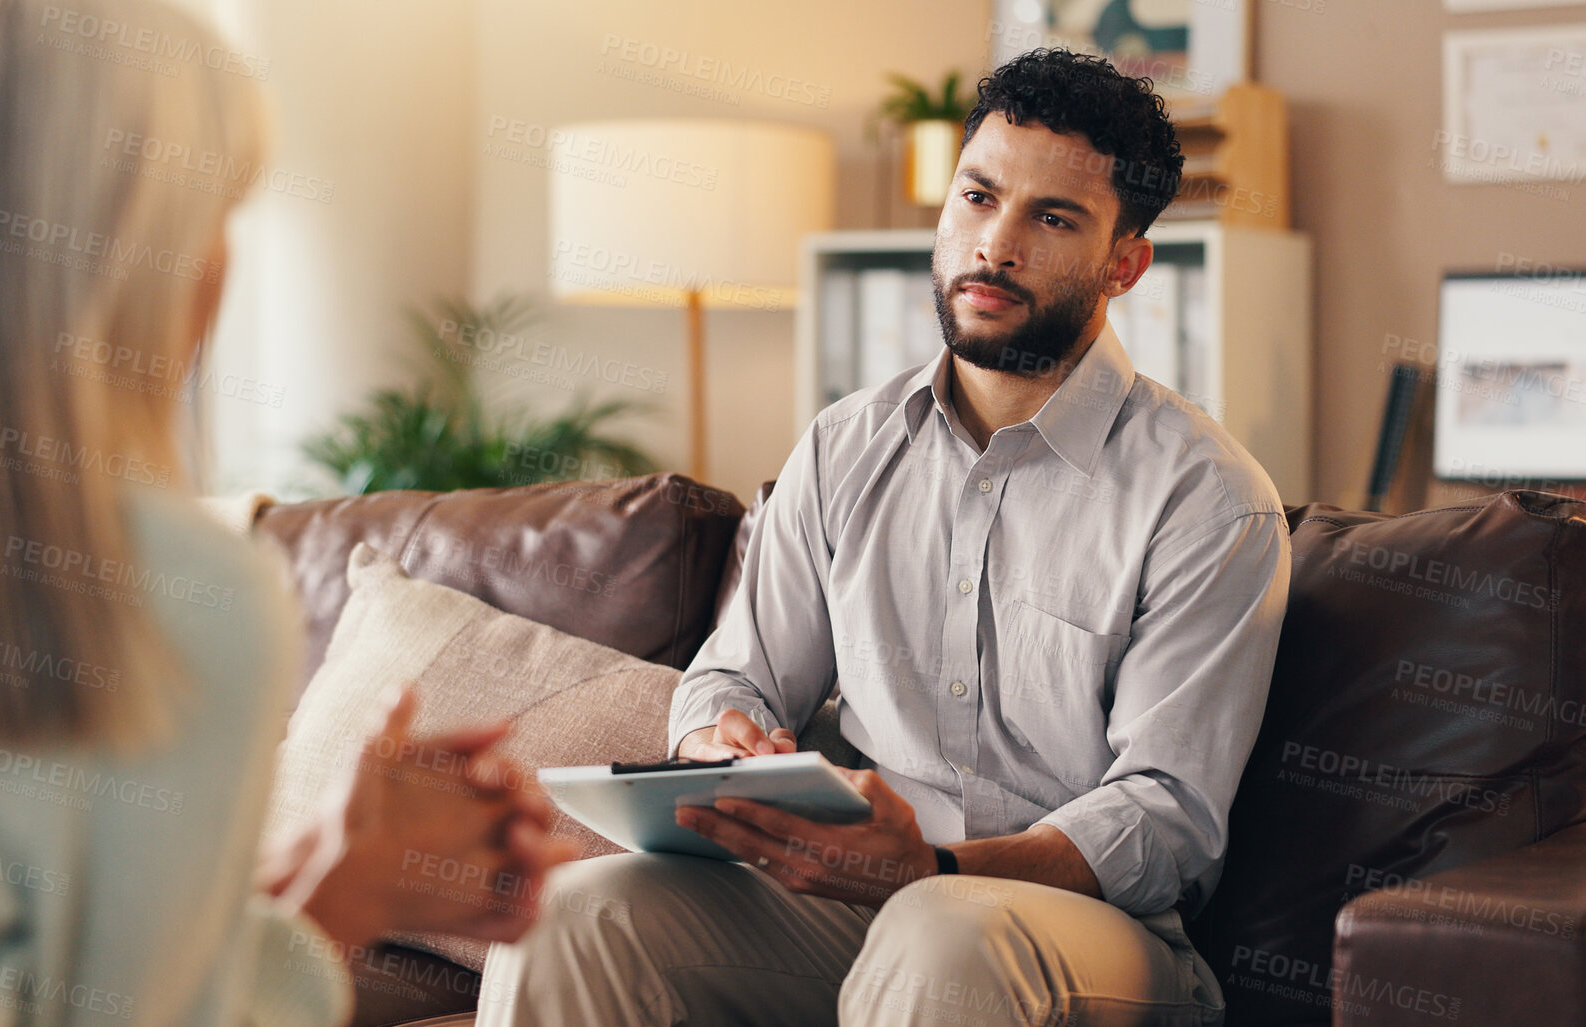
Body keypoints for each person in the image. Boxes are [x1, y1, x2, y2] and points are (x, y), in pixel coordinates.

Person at [0, 0, 571, 1023]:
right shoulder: (162, 588)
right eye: (215, 215)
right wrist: (354, 892)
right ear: (144, 252)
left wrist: (318, 864)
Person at [476, 49, 1290, 1027]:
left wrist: (938, 867)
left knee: (940, 933)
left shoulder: (1208, 500)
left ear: (1125, 262)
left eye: (1053, 216)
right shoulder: (843, 446)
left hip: (1079, 926)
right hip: (845, 902)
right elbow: (731, 673)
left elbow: (1168, 817)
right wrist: (713, 736)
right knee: (574, 911)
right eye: (979, 196)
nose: (996, 244)